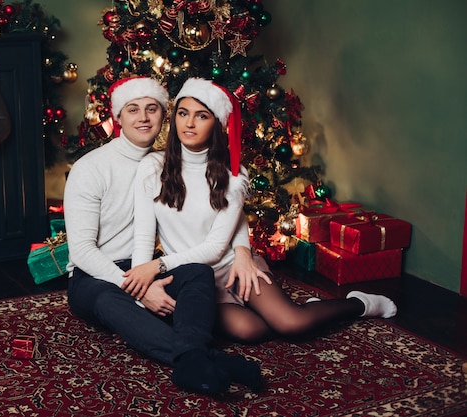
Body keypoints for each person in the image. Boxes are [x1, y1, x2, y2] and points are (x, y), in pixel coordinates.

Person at [127, 77, 397, 345]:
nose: (189, 123)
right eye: (183, 113)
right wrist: (143, 283)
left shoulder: (234, 175)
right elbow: (142, 234)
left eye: (202, 116)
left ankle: (357, 305)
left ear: (217, 124)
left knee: (292, 323)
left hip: (231, 266)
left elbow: (215, 247)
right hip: (194, 279)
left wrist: (159, 265)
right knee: (251, 331)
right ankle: (303, 307)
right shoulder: (152, 167)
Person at [63, 76, 263, 396]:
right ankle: (204, 359)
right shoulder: (91, 168)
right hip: (96, 276)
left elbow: (223, 205)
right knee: (108, 299)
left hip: (144, 265)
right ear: (119, 117)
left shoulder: (164, 163)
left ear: (162, 116)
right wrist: (139, 290)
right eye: (133, 109)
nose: (143, 117)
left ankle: (194, 359)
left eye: (151, 109)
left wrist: (241, 249)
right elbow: (82, 251)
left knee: (198, 272)